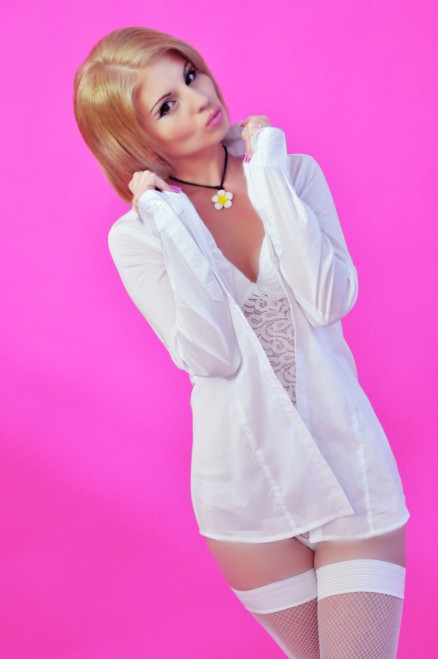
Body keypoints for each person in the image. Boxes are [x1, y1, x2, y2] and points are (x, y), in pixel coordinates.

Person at [73, 26, 410, 658]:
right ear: (135, 139)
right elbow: (212, 355)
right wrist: (167, 219)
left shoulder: (293, 173)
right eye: (167, 105)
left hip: (350, 467)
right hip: (248, 495)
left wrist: (270, 174)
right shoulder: (138, 236)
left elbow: (329, 299)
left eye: (190, 76)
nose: (200, 99)